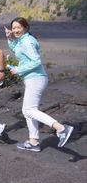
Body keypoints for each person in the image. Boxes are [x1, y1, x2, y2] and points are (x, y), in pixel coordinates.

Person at [6, 17, 73, 151]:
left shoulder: (27, 41)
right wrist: (9, 38)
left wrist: (18, 69)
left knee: (29, 110)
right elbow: (16, 49)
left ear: (25, 27)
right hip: (33, 78)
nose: (16, 30)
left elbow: (36, 61)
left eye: (18, 27)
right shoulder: (22, 40)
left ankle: (61, 128)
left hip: (35, 78)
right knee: (28, 111)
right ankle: (34, 142)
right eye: (13, 28)